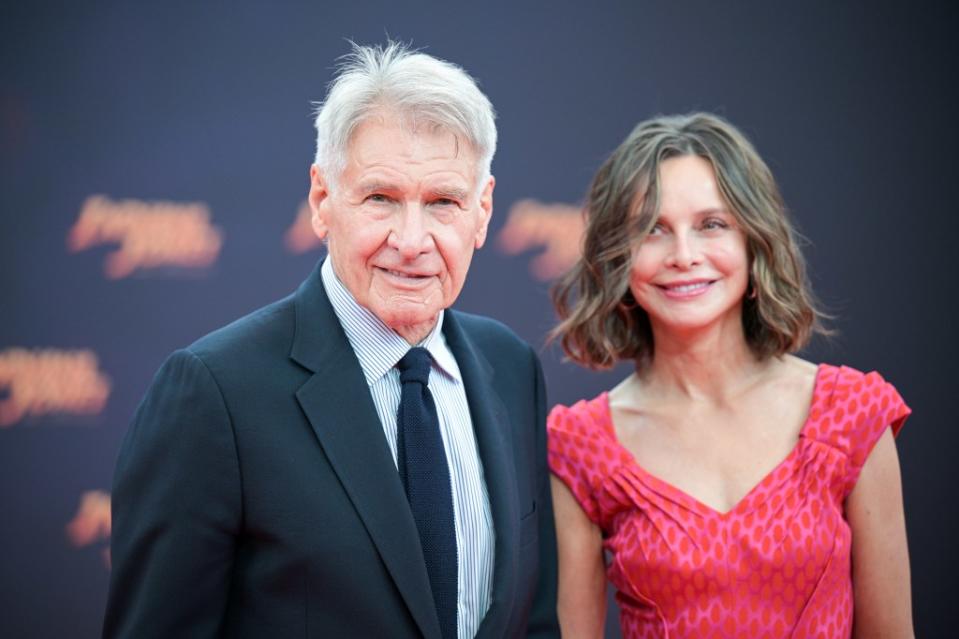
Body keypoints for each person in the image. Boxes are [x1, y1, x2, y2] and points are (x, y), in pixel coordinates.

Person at [103, 42, 559, 639]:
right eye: (381, 198)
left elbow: (535, 622)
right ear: (323, 201)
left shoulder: (511, 368)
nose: (413, 239)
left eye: (443, 202)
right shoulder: (215, 393)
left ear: (482, 211)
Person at [547, 113, 913, 638]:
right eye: (652, 230)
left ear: (754, 242)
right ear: (619, 260)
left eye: (711, 225)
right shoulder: (580, 446)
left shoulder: (853, 413)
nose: (684, 256)